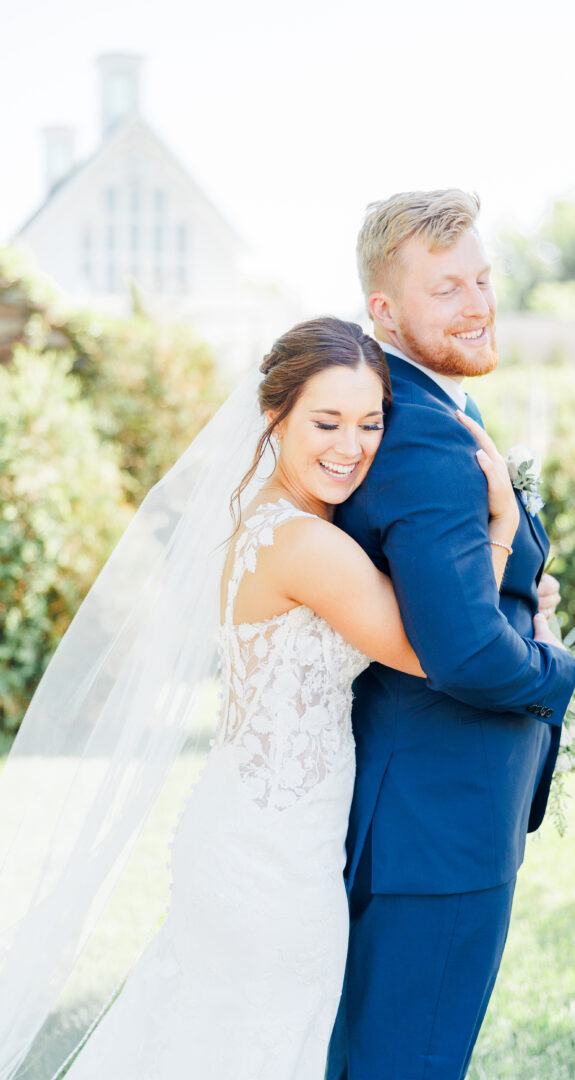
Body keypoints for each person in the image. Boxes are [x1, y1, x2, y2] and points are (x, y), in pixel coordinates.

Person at [0, 315, 532, 1080]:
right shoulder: (305, 546)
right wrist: (501, 529)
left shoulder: (271, 521)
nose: (351, 447)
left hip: (252, 828)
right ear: (275, 414)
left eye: (370, 422)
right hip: (273, 858)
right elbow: (441, 650)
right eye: (326, 421)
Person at [326, 190, 575, 1080]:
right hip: (435, 831)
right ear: (384, 311)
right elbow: (465, 652)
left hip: (429, 817)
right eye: (447, 290)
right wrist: (559, 671)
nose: (478, 303)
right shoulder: (424, 439)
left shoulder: (427, 411)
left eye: (482, 278)